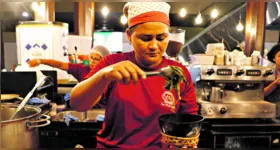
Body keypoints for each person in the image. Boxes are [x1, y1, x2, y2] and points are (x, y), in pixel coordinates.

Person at [70, 2, 198, 148]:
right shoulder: (112, 63)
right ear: (130, 36)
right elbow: (78, 104)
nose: (154, 46)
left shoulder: (178, 73)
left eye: (161, 38)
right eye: (145, 38)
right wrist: (103, 75)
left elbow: (189, 122)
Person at [27, 45, 110, 82]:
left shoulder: (108, 74)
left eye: (96, 59)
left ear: (104, 61)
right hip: (85, 109)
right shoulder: (82, 69)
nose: (92, 61)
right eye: (91, 58)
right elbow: (60, 65)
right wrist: (40, 61)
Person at [264, 43, 280, 118]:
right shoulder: (268, 72)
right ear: (274, 58)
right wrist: (275, 84)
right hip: (270, 111)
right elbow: (261, 94)